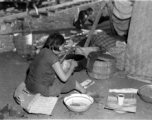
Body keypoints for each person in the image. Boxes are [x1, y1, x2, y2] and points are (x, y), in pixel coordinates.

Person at [25, 32, 92, 97]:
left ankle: (82, 91)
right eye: (63, 45)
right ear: (59, 46)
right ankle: (85, 92)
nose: (63, 47)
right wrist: (72, 66)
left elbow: (46, 65)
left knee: (58, 76)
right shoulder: (53, 58)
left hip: (30, 86)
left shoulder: (42, 50)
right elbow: (64, 79)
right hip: (43, 91)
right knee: (70, 79)